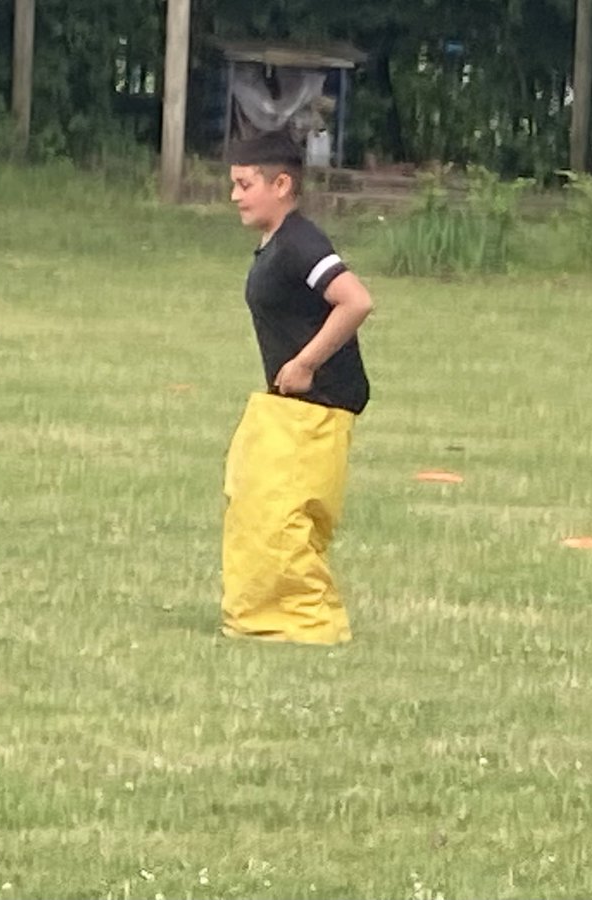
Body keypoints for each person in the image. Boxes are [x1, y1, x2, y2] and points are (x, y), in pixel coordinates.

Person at [221, 130, 374, 645]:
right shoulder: (274, 245)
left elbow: (355, 301)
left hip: (319, 404)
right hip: (290, 409)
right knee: (257, 506)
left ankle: (307, 622)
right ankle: (263, 612)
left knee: (284, 517)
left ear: (281, 183)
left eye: (245, 184)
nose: (235, 196)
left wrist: (306, 362)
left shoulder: (301, 243)